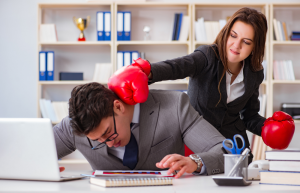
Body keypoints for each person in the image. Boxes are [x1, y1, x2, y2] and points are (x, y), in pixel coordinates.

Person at [108, 7, 295, 163]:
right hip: (198, 142)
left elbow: (249, 116)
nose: (236, 45)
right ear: (226, 32)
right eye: (233, 35)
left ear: (255, 47)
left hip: (235, 147)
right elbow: (176, 67)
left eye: (246, 42)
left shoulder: (255, 73)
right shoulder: (207, 56)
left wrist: (267, 128)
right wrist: (145, 71)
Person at [54, 82, 228, 178]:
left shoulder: (174, 106)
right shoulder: (74, 127)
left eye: (108, 133)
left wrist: (195, 162)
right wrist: (43, 168)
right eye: (97, 140)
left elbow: (225, 150)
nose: (109, 144)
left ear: (118, 107)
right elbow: (31, 153)